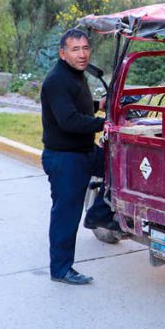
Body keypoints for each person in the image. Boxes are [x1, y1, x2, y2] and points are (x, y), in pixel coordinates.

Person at [39, 27, 114, 286]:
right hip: (64, 158)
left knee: (119, 168)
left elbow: (76, 106)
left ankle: (98, 214)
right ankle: (60, 269)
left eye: (85, 48)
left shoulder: (76, 75)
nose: (82, 54)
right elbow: (68, 120)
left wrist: (97, 106)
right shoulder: (57, 80)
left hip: (84, 151)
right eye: (75, 49)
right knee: (66, 214)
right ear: (63, 53)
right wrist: (102, 124)